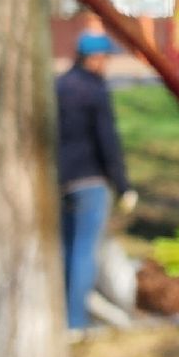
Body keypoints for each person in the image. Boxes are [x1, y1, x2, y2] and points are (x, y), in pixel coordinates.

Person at [54, 34, 130, 331]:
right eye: (105, 58)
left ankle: (61, 313)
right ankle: (75, 322)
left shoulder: (59, 86)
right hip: (91, 180)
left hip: (62, 181)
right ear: (93, 59)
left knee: (67, 249)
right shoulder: (94, 90)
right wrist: (123, 184)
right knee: (85, 251)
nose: (107, 64)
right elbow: (107, 140)